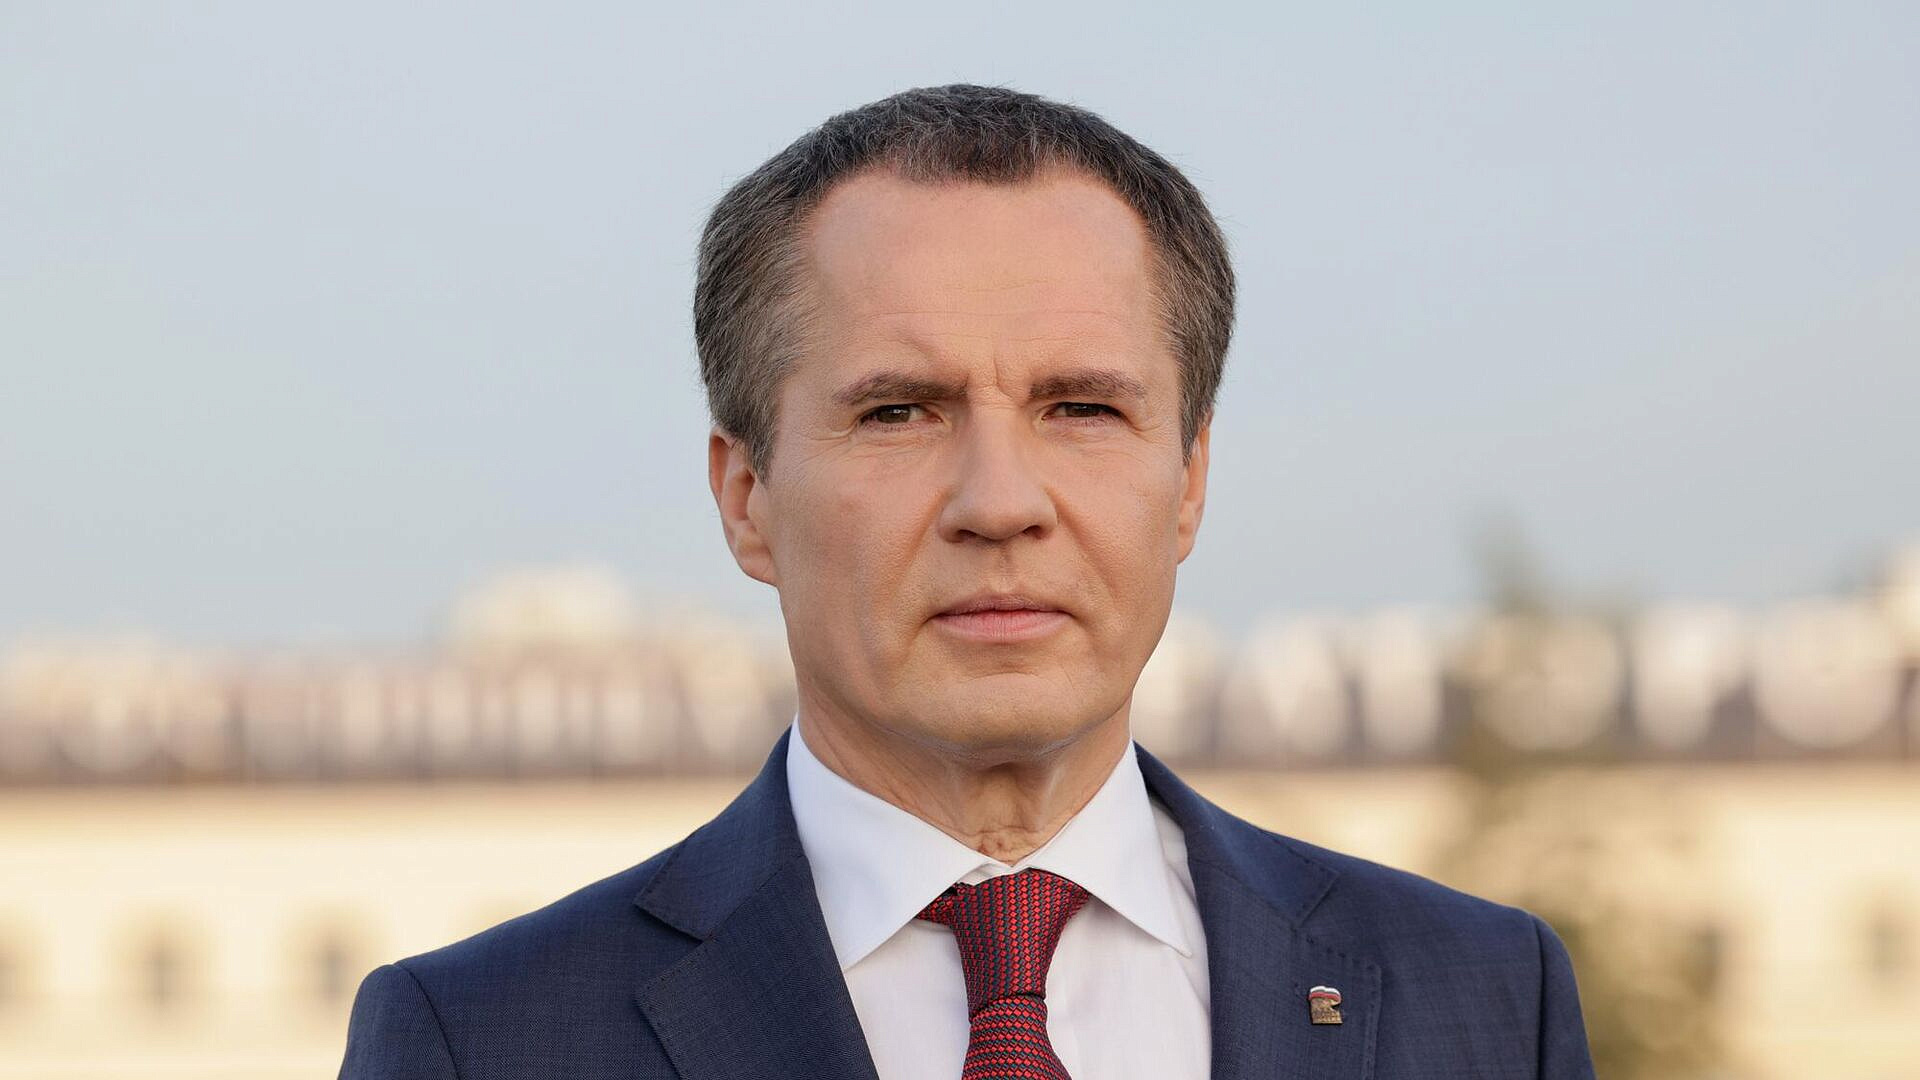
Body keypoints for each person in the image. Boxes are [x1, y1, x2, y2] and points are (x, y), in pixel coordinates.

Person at [337, 84, 1597, 1080]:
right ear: (747, 495)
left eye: (1083, 408)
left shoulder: (1486, 997)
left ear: (1190, 481)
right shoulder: (481, 1040)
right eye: (898, 412)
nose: (1001, 502)